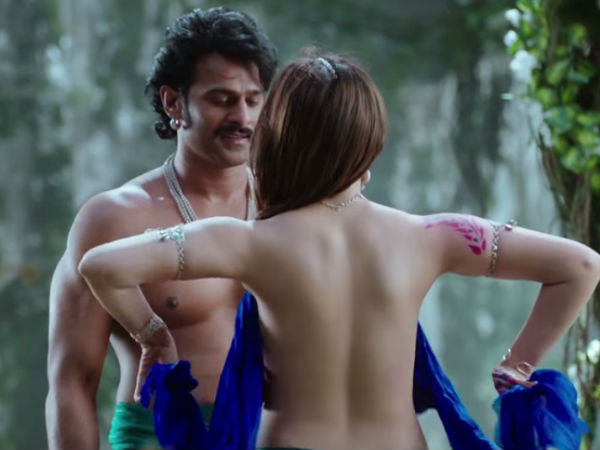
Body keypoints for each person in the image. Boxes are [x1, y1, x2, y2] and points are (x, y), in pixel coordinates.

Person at [78, 53, 600, 450]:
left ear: (279, 138)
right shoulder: (431, 236)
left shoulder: (247, 241)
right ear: (369, 140)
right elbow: (580, 265)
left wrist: (154, 338)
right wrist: (516, 367)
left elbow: (101, 266)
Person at [45, 7, 278, 450]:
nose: (243, 118)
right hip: (158, 437)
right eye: (221, 99)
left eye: (253, 99)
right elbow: (73, 382)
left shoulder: (288, 208)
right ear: (174, 103)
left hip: (272, 434)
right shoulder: (115, 218)